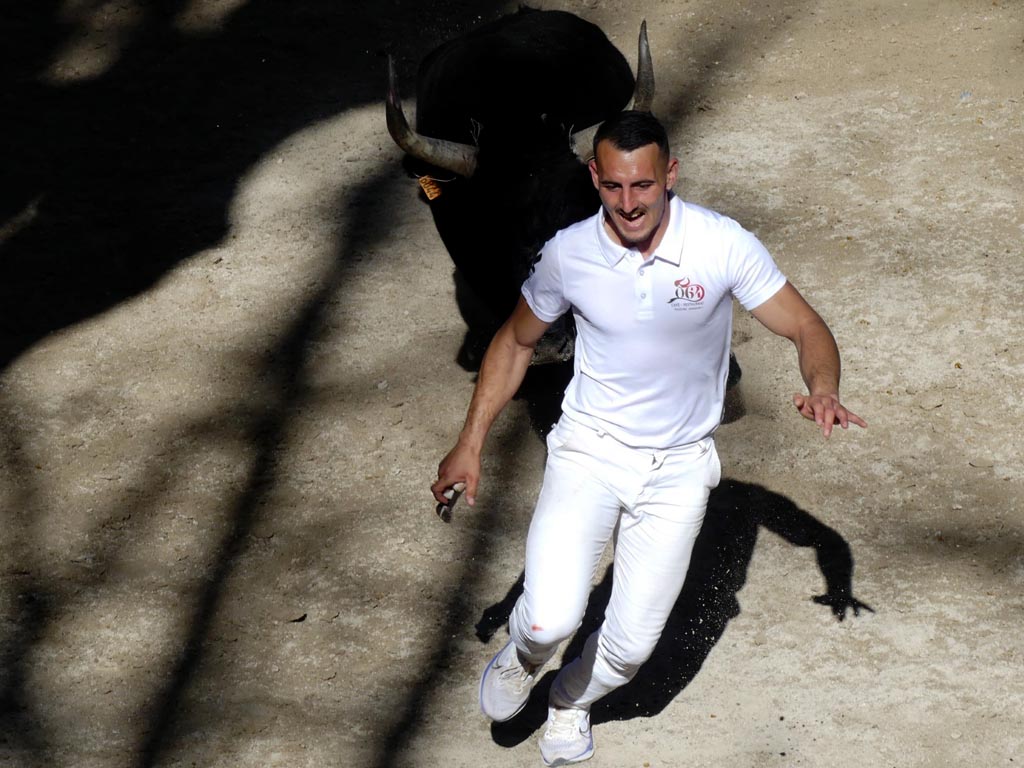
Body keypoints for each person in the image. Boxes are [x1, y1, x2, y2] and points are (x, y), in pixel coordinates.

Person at [430, 110, 866, 766]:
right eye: (613, 186)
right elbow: (515, 342)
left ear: (670, 175)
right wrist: (470, 441)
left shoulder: (721, 244)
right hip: (590, 450)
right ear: (594, 178)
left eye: (643, 185)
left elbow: (805, 326)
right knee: (548, 620)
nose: (629, 203)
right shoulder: (569, 254)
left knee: (630, 650)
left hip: (680, 469)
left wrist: (823, 387)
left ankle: (569, 703)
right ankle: (524, 656)